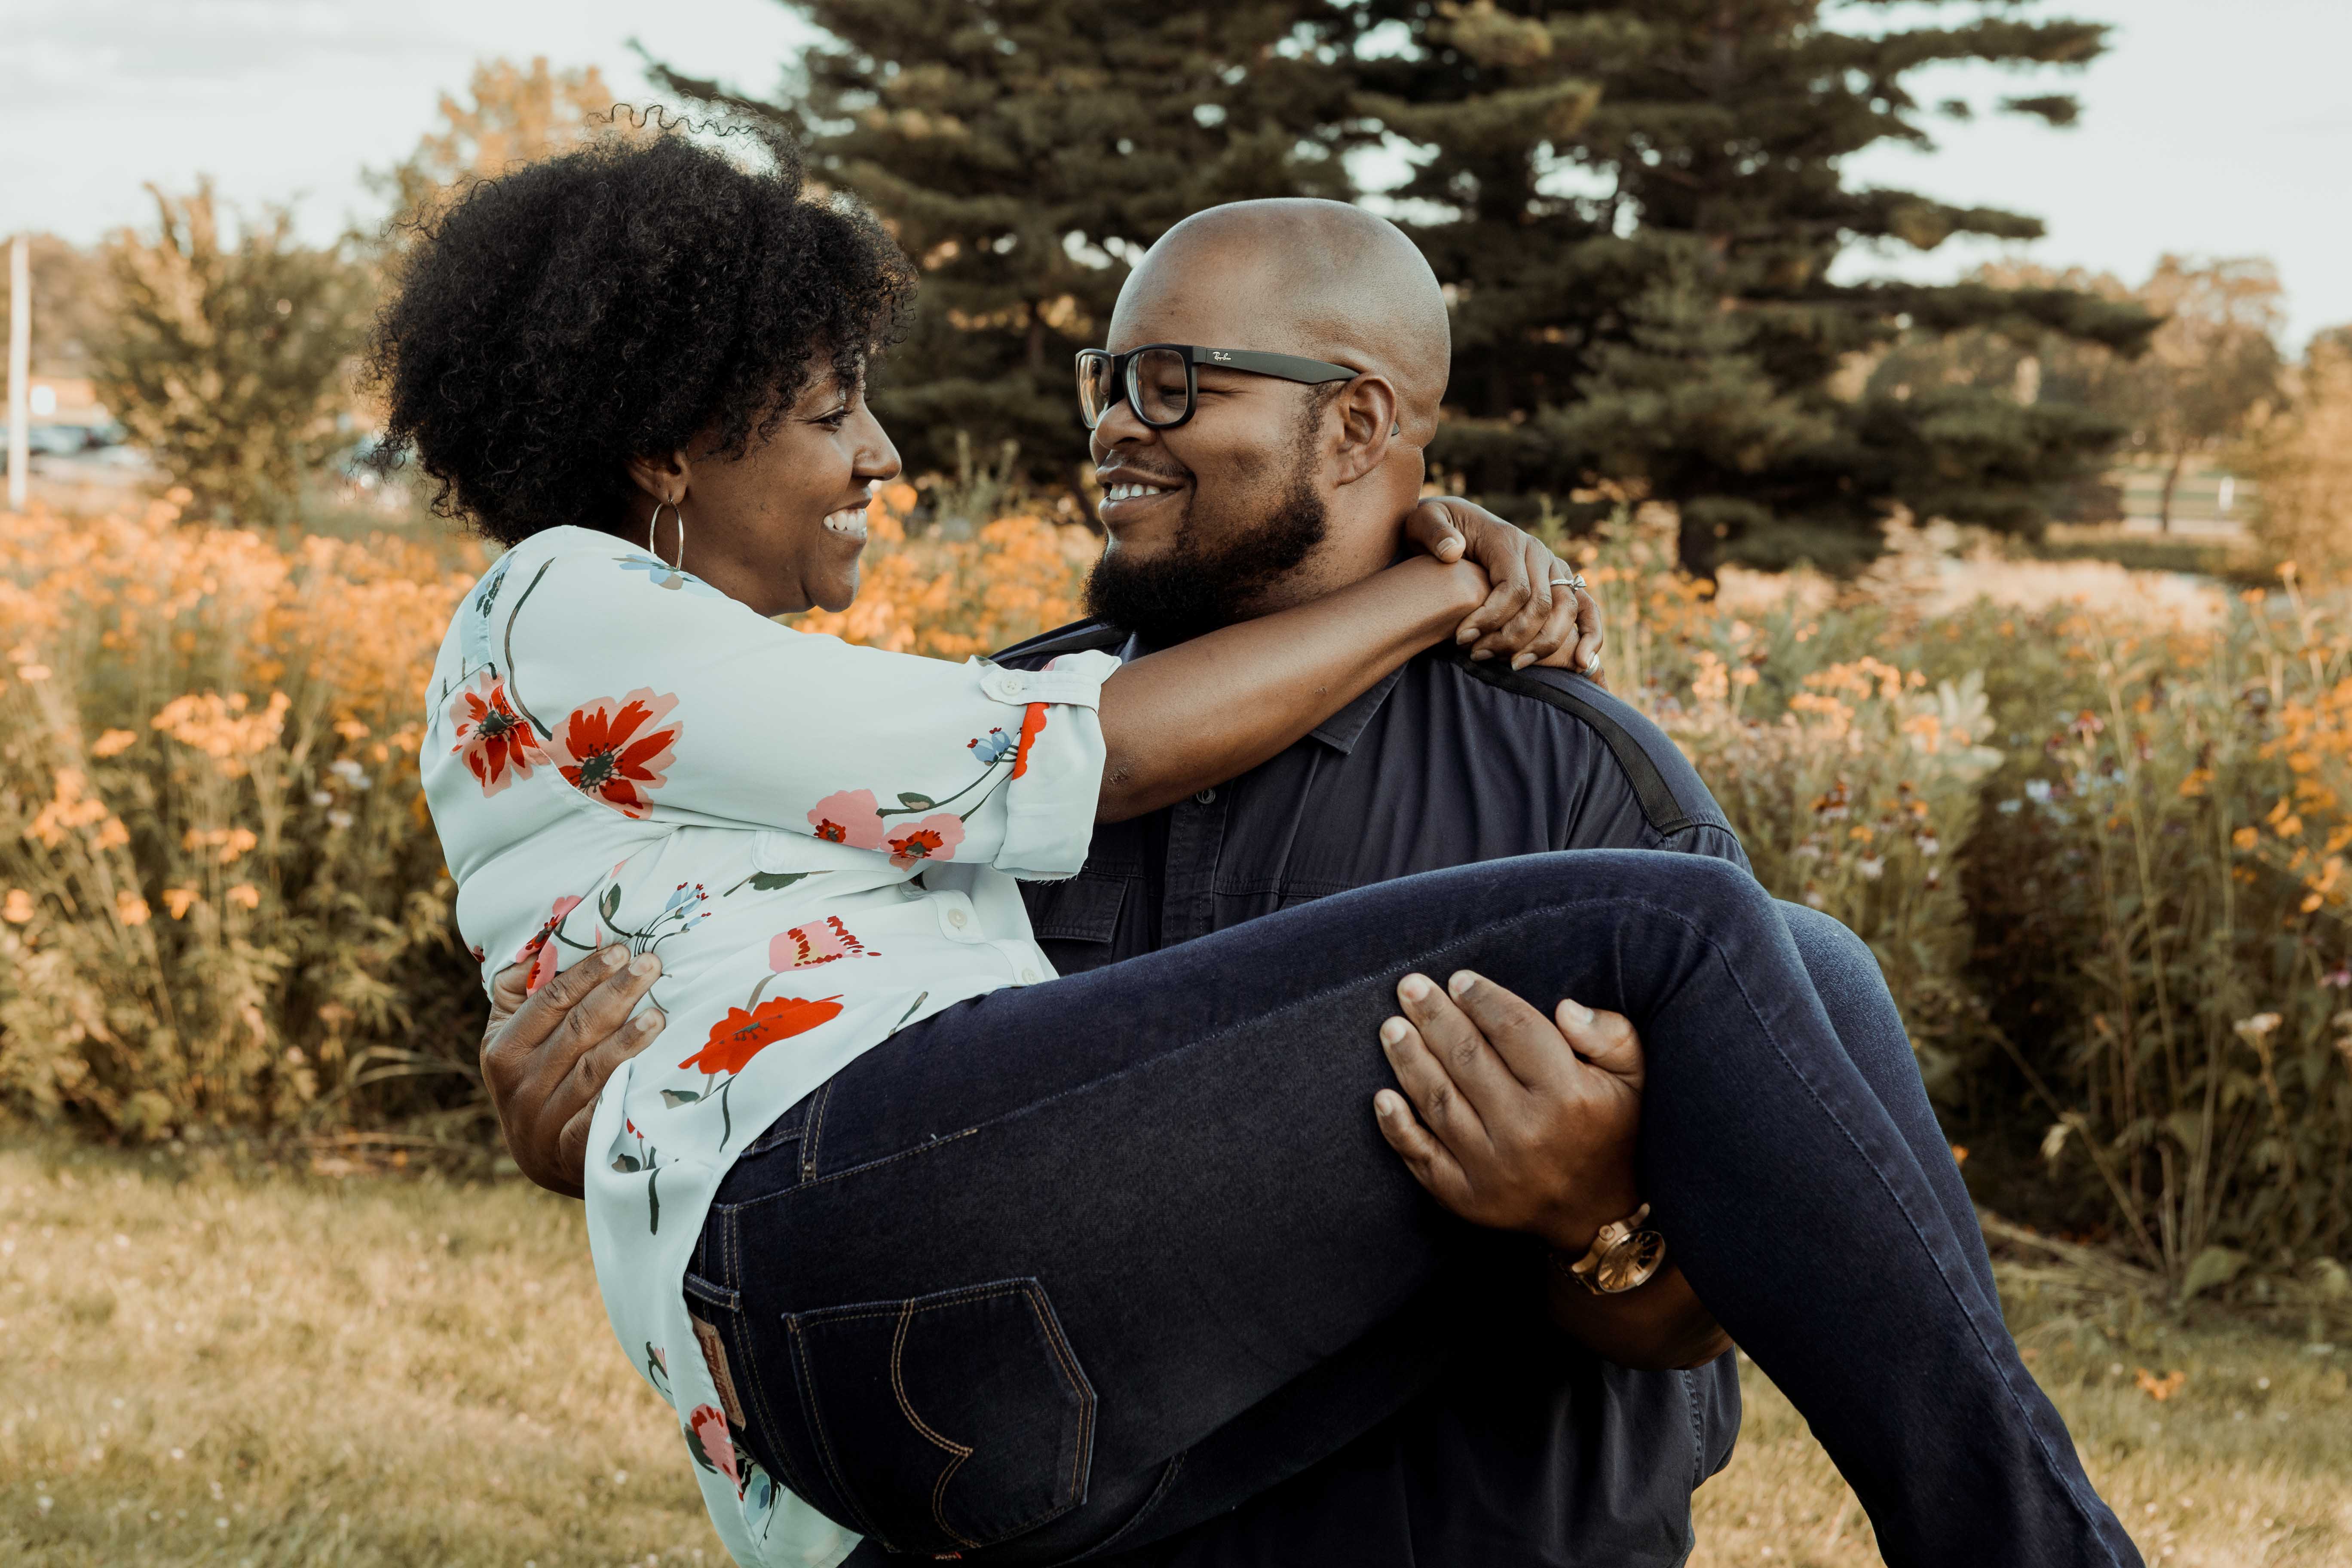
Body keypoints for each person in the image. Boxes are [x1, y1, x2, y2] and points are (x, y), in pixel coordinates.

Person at [383, 126, 2141, 1568]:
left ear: (1360, 424)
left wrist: (1599, 1216)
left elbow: (1711, 1302)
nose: (1109, 423)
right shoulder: (973, 716)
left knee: (1793, 956)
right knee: (1695, 934)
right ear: (668, 440)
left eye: (1168, 382)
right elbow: (1048, 793)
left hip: (1210, 1477)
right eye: (1108, 379)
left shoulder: (1577, 774)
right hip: (920, 1345)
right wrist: (604, 1125)